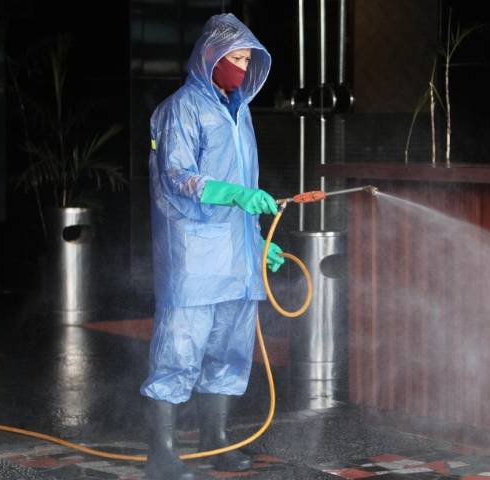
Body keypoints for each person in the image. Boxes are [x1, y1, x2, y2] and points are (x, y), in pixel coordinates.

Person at [140, 13, 285, 480]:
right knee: (179, 350)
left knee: (231, 350)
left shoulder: (240, 112)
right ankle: (161, 452)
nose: (241, 68)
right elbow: (177, 176)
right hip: (195, 255)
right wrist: (234, 194)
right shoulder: (180, 109)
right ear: (209, 56)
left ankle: (216, 439)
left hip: (237, 256)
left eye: (246, 60)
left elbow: (246, 186)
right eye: (234, 58)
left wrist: (258, 242)